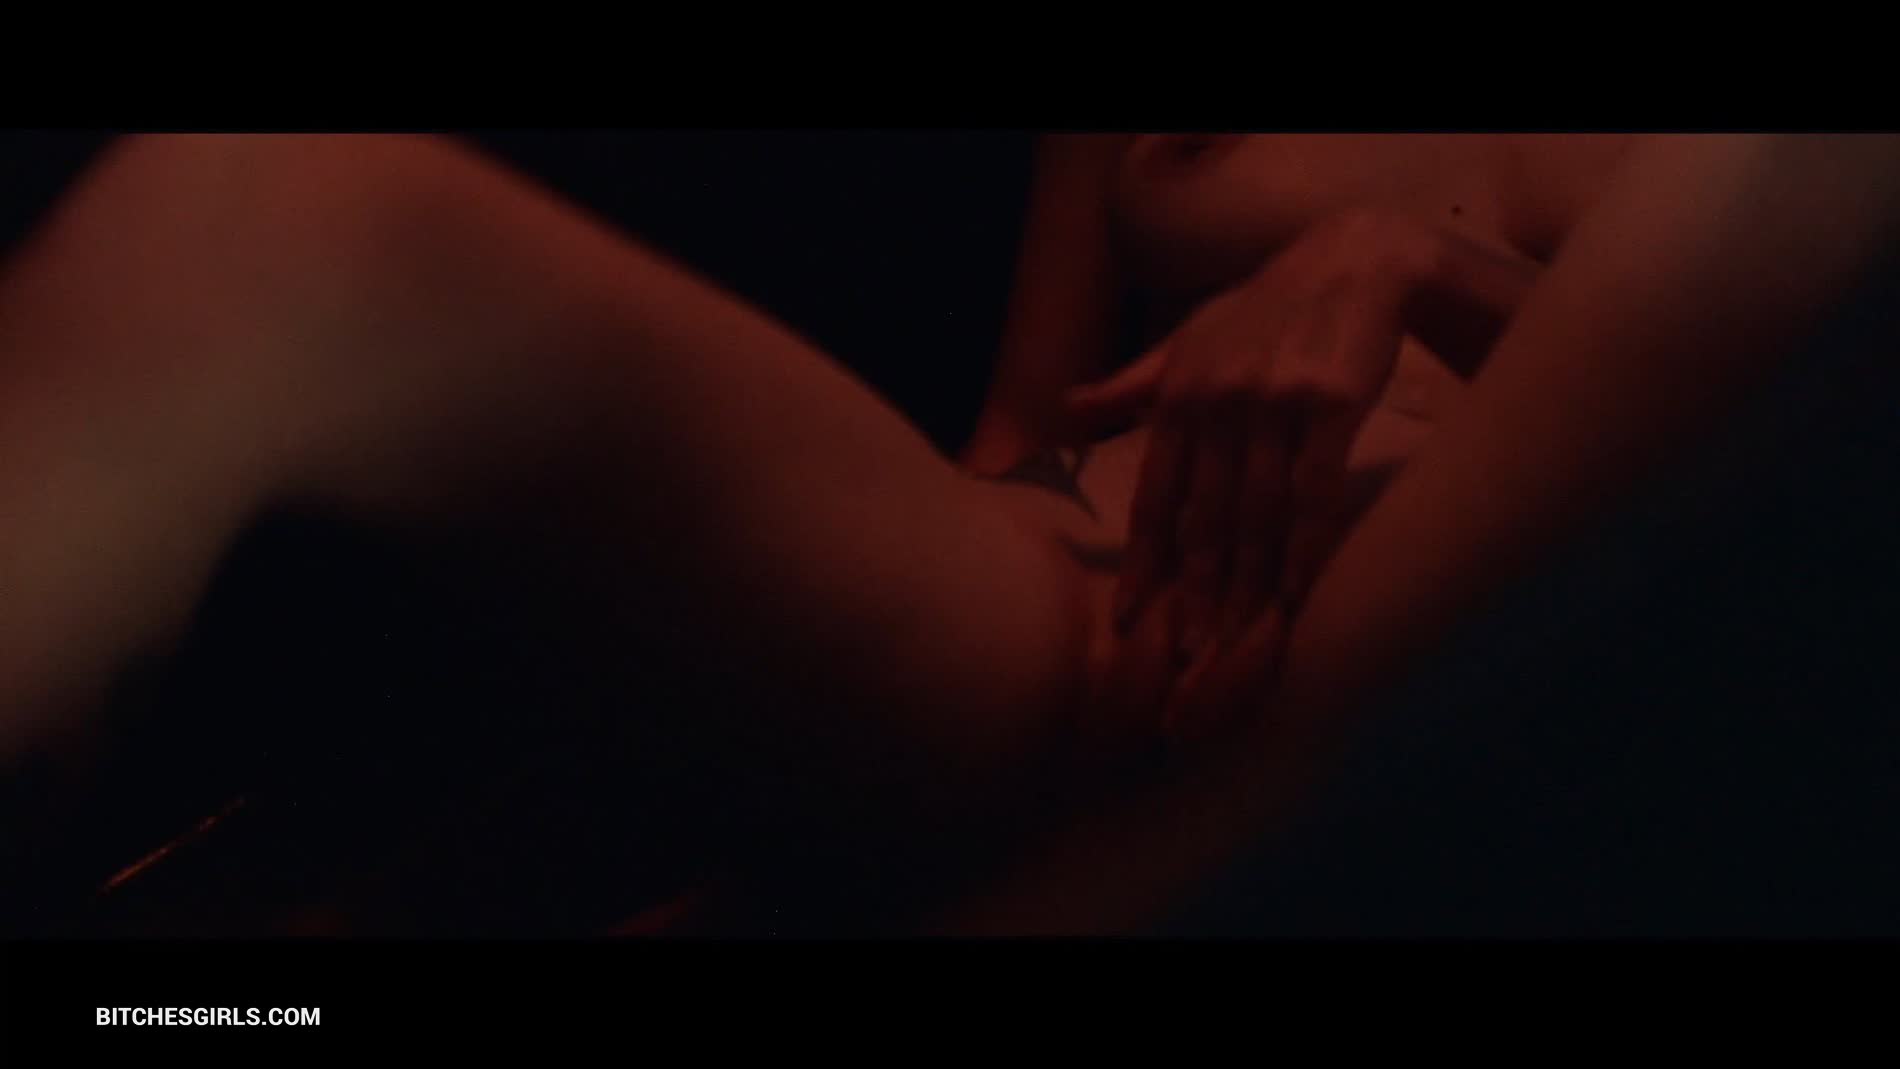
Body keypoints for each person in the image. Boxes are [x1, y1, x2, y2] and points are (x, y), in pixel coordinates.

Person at [3, 133, 1896, 934]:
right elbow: (1015, 430)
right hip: (1009, 577)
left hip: (1247, 685)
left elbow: (1725, 481)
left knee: (312, 231)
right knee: (268, 223)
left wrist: (1429, 269)